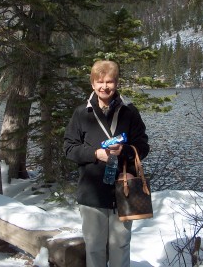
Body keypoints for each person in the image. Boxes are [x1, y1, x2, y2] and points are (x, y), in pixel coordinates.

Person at [63, 60, 150, 267]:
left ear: (116, 83)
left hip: (124, 189)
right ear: (92, 84)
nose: (104, 86)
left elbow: (143, 146)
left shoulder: (129, 112)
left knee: (121, 246)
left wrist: (126, 151)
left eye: (109, 81)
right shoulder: (81, 114)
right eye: (99, 82)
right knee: (94, 247)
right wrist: (95, 154)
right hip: (92, 193)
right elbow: (69, 149)